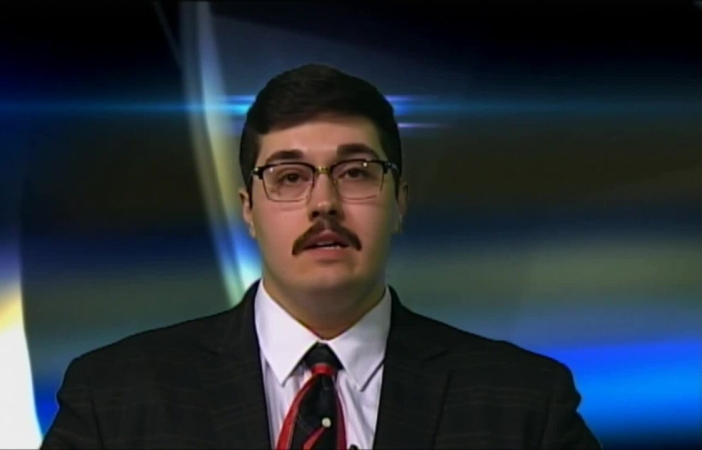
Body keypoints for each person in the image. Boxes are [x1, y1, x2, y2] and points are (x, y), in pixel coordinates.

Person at [41, 63, 601, 449]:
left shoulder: (524, 405)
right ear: (249, 210)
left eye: (356, 172)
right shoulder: (115, 399)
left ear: (400, 202)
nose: (324, 203)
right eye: (290, 177)